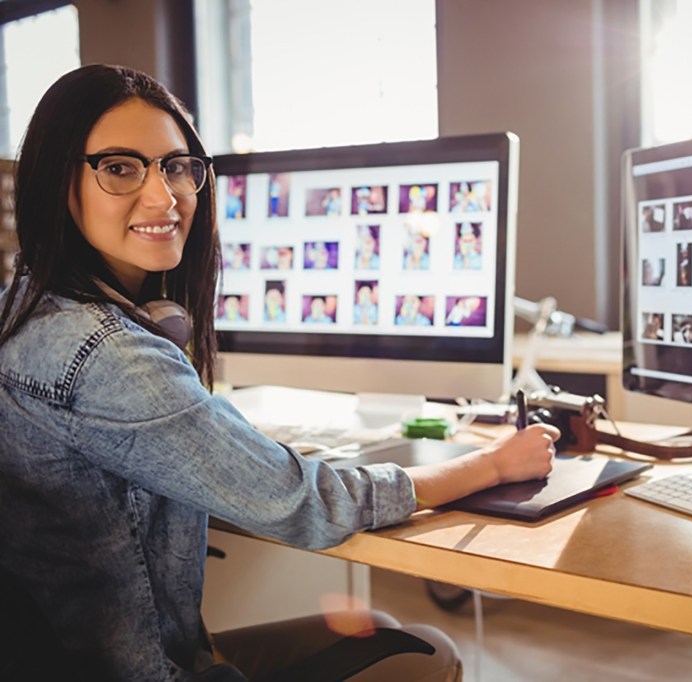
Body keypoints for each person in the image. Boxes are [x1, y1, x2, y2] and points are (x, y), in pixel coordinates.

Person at [0, 64, 559, 682]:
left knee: (384, 629)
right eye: (120, 167)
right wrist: (491, 466)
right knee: (429, 654)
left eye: (177, 165)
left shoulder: (21, 315)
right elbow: (307, 503)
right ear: (58, 181)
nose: (164, 196)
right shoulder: (111, 357)